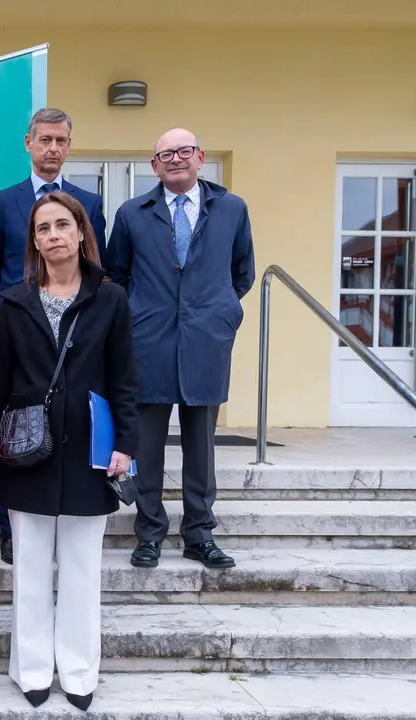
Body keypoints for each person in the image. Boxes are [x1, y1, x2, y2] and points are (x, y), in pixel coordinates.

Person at [0, 191, 139, 711]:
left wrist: (127, 445)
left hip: (91, 449)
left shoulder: (109, 299)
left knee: (82, 569)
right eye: (43, 228)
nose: (53, 235)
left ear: (81, 232)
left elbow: (125, 378)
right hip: (28, 450)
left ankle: (79, 670)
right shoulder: (14, 300)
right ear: (34, 241)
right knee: (28, 568)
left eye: (62, 225)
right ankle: (31, 669)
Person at [105, 128, 255, 571]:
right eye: (165, 154)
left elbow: (241, 271)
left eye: (184, 151)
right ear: (154, 165)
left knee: (201, 445)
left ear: (200, 157)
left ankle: (199, 534)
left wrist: (219, 312)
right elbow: (117, 272)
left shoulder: (231, 208)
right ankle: (149, 532)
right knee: (146, 446)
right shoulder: (133, 213)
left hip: (206, 342)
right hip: (148, 341)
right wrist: (139, 314)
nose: (175, 159)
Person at [0, 107, 108, 565]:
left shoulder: (88, 203)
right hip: (22, 331)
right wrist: (16, 316)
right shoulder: (3, 201)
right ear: (28, 143)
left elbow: (96, 264)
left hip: (75, 337)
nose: (53, 148)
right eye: (45, 140)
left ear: (69, 146)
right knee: (16, 429)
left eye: (61, 141)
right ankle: (10, 529)